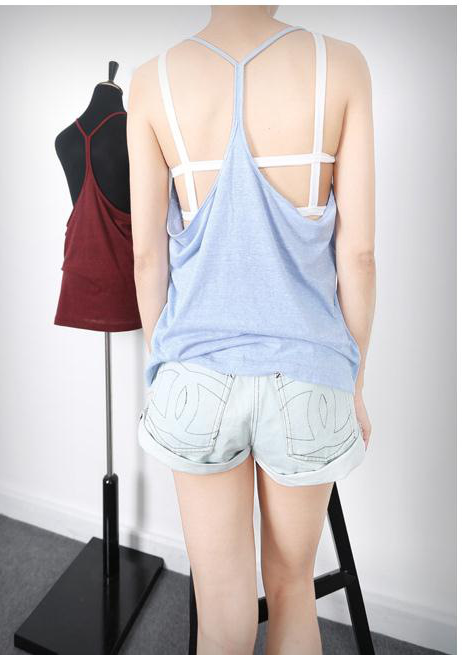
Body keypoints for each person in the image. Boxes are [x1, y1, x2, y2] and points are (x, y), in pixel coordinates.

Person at [128, 6, 375, 654]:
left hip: (196, 376)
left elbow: (147, 256)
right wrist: (352, 381)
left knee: (221, 610)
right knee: (293, 588)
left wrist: (165, 366)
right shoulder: (341, 65)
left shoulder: (153, 81)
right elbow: (358, 255)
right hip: (309, 376)